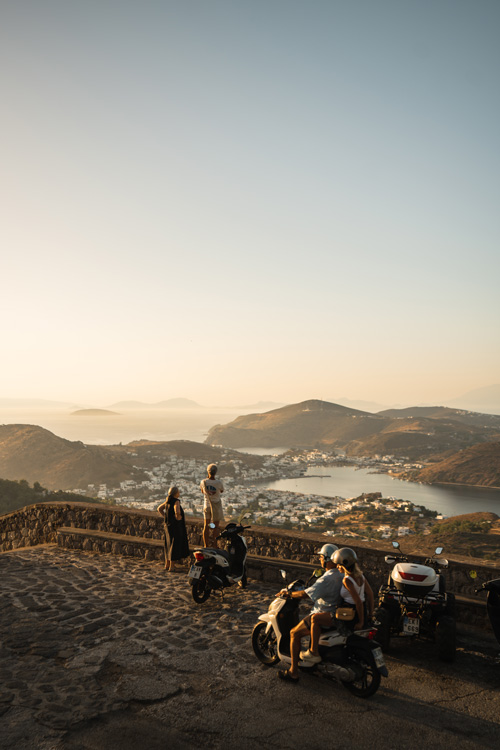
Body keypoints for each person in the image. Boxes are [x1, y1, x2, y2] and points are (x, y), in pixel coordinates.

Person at [277, 543, 342, 682]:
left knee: (294, 633)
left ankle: (293, 672)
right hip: (335, 612)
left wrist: (289, 594)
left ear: (327, 559)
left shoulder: (326, 578)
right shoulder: (342, 574)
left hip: (323, 613)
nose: (319, 560)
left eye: (321, 557)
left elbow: (305, 594)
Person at [333, 547, 374, 631]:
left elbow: (358, 602)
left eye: (339, 565)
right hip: (363, 611)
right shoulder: (361, 576)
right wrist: (370, 614)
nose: (337, 567)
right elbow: (370, 594)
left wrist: (361, 622)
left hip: (350, 613)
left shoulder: (347, 580)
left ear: (344, 565)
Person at [157, 486, 189, 572]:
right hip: (176, 526)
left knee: (168, 544)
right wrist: (177, 517)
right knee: (174, 545)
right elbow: (177, 510)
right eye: (178, 492)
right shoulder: (176, 501)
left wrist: (166, 517)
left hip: (168, 526)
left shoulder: (167, 501)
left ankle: (166, 564)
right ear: (176, 493)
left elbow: (159, 509)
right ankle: (172, 566)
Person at [200, 464, 224, 547]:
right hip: (216, 506)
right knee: (215, 527)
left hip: (207, 506)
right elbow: (221, 491)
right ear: (215, 472)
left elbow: (202, 491)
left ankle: (206, 545)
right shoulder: (218, 483)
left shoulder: (203, 482)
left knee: (206, 526)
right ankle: (214, 545)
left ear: (208, 472)